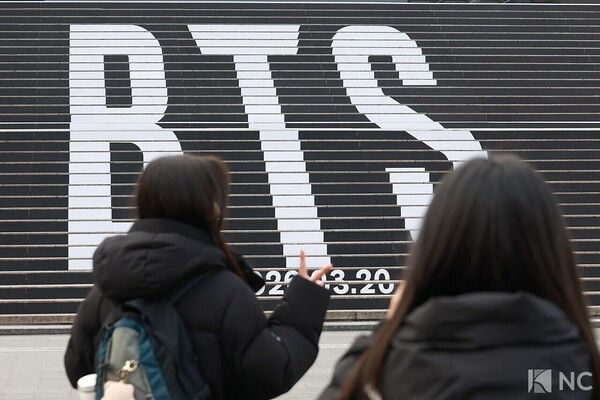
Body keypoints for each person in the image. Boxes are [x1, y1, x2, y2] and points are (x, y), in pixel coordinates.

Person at [319, 155, 599, 399]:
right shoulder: (583, 373)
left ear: (434, 249)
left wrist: (385, 331)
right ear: (553, 255)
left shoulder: (376, 377)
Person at [64, 154, 332, 399]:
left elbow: (77, 369)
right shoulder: (225, 291)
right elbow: (272, 373)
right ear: (211, 208)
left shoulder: (107, 289)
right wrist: (304, 302)